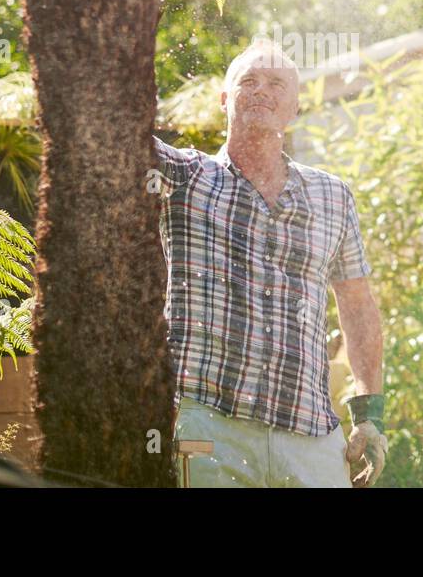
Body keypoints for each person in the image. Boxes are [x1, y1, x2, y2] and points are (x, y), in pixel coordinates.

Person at [153, 37, 387, 487]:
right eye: (249, 81)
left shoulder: (331, 195)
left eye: (277, 83)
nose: (262, 90)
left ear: (295, 106)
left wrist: (368, 415)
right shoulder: (184, 177)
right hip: (210, 424)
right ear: (225, 100)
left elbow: (357, 305)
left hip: (310, 431)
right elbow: (115, 131)